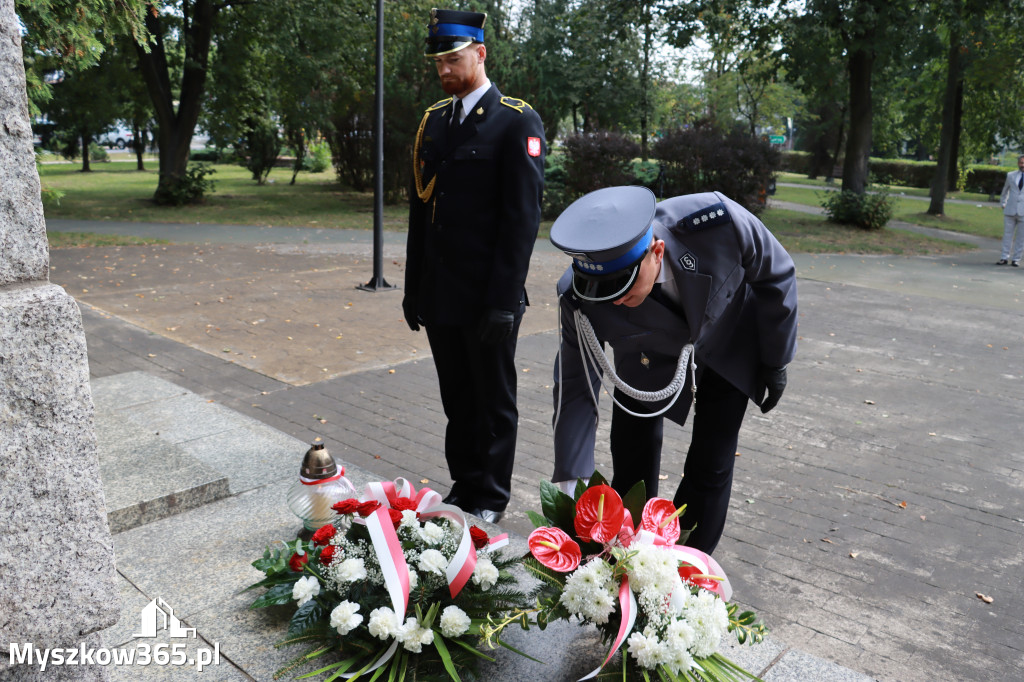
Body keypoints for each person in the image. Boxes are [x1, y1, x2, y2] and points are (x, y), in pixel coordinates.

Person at [549, 186, 798, 554]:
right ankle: (627, 561)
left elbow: (776, 276)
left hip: (729, 339)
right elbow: (575, 387)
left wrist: (776, 359)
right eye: (602, 291)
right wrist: (572, 482)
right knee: (632, 463)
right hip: (645, 358)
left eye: (623, 287)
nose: (615, 300)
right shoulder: (578, 299)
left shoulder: (719, 223)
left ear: (657, 252)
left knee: (711, 464)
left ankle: (687, 568)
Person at [403, 8, 545, 524]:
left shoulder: (515, 119)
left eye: (454, 58)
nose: (444, 70)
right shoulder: (435, 121)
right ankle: (464, 485)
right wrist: (413, 285)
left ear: (480, 53)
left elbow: (521, 220)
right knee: (457, 399)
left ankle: (490, 496)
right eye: (438, 61)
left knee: (492, 402)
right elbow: (421, 211)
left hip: (489, 296)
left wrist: (505, 300)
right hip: (441, 292)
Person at [997, 154, 1024, 266]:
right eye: (1021, 162)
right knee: (1007, 235)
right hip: (1010, 210)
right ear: (1018, 163)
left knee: (1021, 237)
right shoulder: (1011, 175)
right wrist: (1003, 203)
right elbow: (1005, 190)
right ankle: (1004, 257)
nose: (1023, 165)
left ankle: (1016, 259)